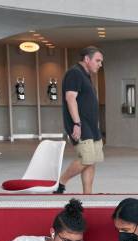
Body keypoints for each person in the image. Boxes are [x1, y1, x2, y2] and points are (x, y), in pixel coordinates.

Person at [56, 46, 104, 194]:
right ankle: (60, 182)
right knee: (87, 158)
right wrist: (77, 124)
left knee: (92, 160)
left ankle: (88, 195)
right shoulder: (74, 73)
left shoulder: (86, 75)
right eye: (97, 60)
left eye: (101, 61)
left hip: (91, 126)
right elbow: (70, 98)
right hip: (81, 125)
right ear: (87, 59)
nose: (100, 64)